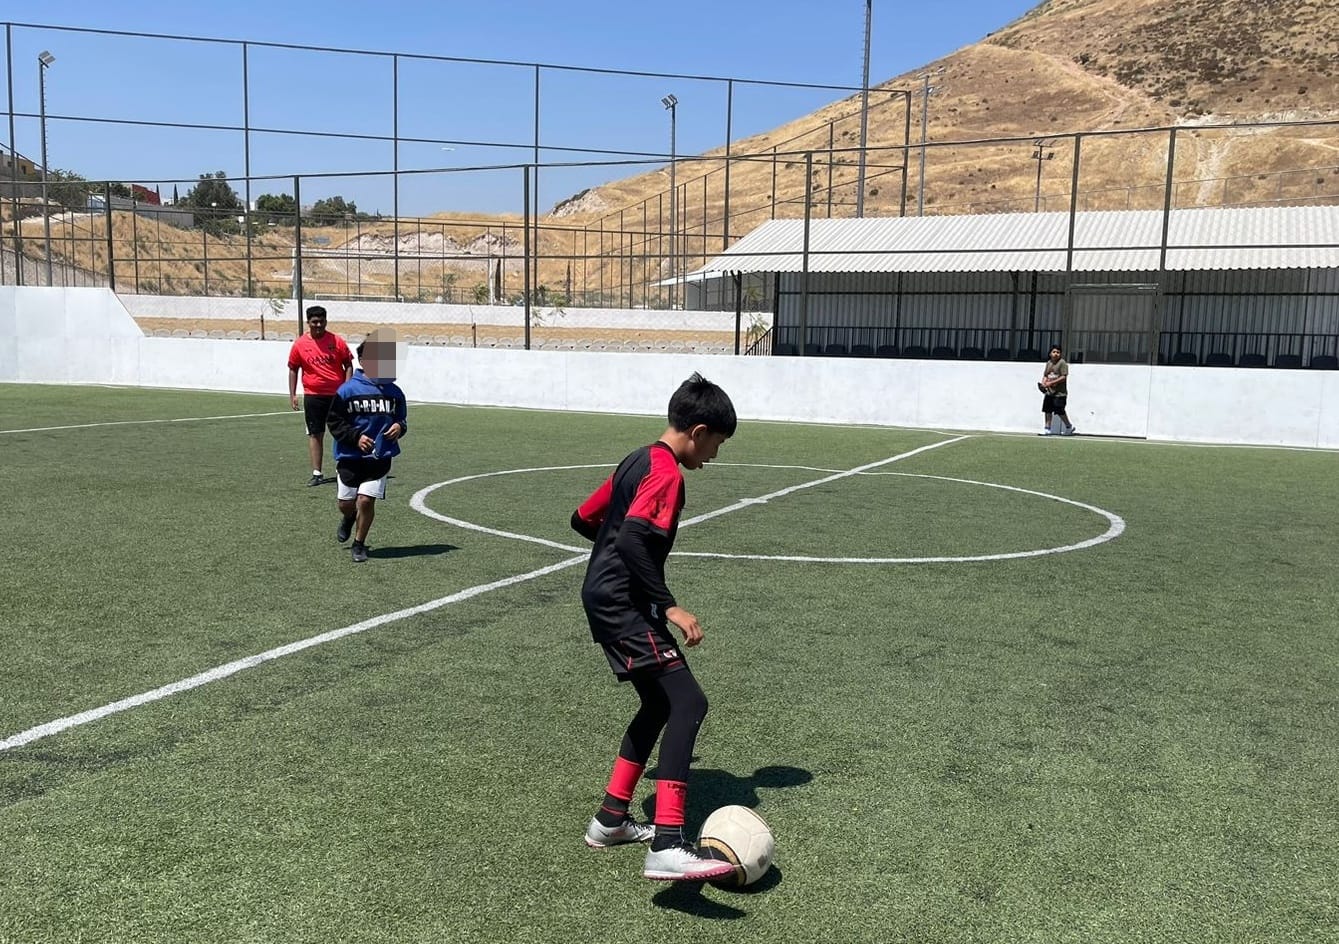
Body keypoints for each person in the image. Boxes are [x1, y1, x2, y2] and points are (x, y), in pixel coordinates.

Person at [571, 372, 739, 883]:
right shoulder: (667, 472)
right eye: (715, 444)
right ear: (699, 429)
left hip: (606, 597)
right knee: (689, 702)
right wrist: (669, 605)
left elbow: (582, 519)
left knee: (660, 702)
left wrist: (617, 546)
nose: (713, 456)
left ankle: (610, 821)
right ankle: (668, 842)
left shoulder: (637, 459)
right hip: (625, 603)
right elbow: (630, 543)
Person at [326, 328, 407, 563]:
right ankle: (348, 518)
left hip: (379, 458)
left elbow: (401, 419)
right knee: (346, 503)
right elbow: (334, 421)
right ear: (362, 361)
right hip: (349, 456)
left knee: (365, 500)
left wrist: (400, 427)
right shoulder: (347, 390)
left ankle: (359, 544)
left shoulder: (394, 392)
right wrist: (355, 438)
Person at [287, 305, 354, 486]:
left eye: (321, 321)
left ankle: (344, 468)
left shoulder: (336, 341)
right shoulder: (300, 344)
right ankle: (317, 473)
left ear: (326, 321)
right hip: (313, 396)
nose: (318, 325)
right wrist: (292, 394)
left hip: (337, 395)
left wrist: (347, 388)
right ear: (308, 322)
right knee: (315, 433)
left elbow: (348, 364)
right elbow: (293, 369)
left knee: (341, 432)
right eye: (314, 322)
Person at [1039, 344, 1077, 436]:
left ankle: (1069, 427)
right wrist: (1044, 383)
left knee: (1060, 411)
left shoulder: (1062, 363)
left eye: (1058, 352)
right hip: (1049, 392)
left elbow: (1063, 377)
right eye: (1054, 352)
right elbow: (1046, 375)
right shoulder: (1048, 363)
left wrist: (1051, 383)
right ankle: (1047, 429)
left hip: (1060, 393)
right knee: (1047, 410)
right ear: (1050, 353)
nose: (1056, 354)